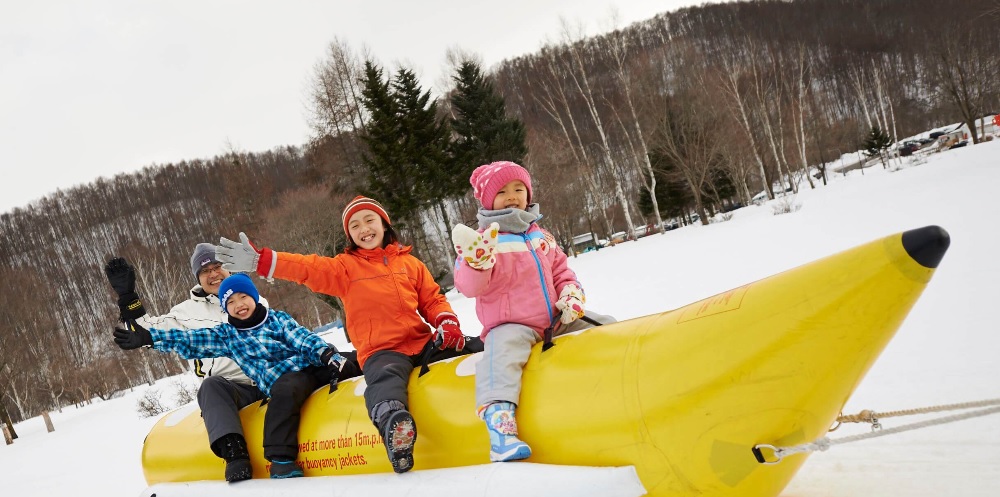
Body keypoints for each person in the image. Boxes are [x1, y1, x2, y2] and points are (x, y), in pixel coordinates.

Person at [214, 195, 483, 474]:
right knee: (383, 380)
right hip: (382, 350)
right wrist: (263, 260)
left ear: (384, 223)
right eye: (355, 225)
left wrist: (447, 323)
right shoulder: (345, 268)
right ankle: (393, 424)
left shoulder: (410, 263)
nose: (364, 229)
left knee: (473, 345)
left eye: (369, 220)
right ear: (350, 235)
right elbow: (307, 268)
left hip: (422, 341)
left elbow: (432, 299)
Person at [113, 273, 360, 479]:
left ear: (254, 297)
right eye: (231, 302)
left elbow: (302, 338)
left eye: (244, 297)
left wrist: (327, 355)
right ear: (225, 308)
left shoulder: (277, 318)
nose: (239, 304)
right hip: (284, 380)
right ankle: (280, 458)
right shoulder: (228, 335)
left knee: (355, 357)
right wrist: (149, 337)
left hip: (310, 364)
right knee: (286, 391)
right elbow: (189, 340)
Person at [450, 161, 615, 463]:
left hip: (555, 319)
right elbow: (468, 285)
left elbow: (562, 273)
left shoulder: (542, 236)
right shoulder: (484, 240)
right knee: (499, 361)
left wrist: (571, 296)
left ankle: (626, 376)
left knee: (606, 325)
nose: (512, 195)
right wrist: (476, 262)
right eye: (501, 191)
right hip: (511, 325)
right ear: (487, 200)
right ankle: (501, 429)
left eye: (518, 189)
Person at [104, 245, 274, 482]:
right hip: (233, 390)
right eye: (205, 271)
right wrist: (129, 298)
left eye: (217, 267)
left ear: (227, 268)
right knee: (211, 386)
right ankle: (235, 454)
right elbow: (146, 332)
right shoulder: (184, 312)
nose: (213, 274)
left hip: (272, 377)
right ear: (198, 278)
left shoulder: (251, 296)